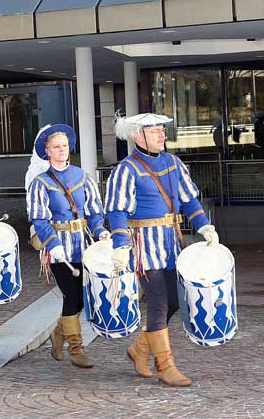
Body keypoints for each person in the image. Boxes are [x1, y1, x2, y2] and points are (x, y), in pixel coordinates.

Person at [104, 113, 219, 387]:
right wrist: (121, 246)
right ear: (137, 136)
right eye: (154, 131)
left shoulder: (173, 162)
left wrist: (205, 226)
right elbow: (116, 211)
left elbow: (189, 200)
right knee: (158, 303)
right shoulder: (126, 169)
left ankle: (139, 349)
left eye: (161, 130)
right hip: (144, 245)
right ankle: (165, 365)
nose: (161, 135)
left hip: (172, 243)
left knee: (176, 301)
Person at [26, 124, 109, 369]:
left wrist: (101, 231)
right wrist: (53, 245)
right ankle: (76, 347)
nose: (61, 150)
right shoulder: (40, 182)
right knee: (71, 295)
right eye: (55, 147)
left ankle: (58, 334)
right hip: (59, 249)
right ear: (47, 152)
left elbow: (94, 212)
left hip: (84, 246)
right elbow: (39, 218)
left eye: (64, 145)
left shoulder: (82, 176)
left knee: (83, 298)